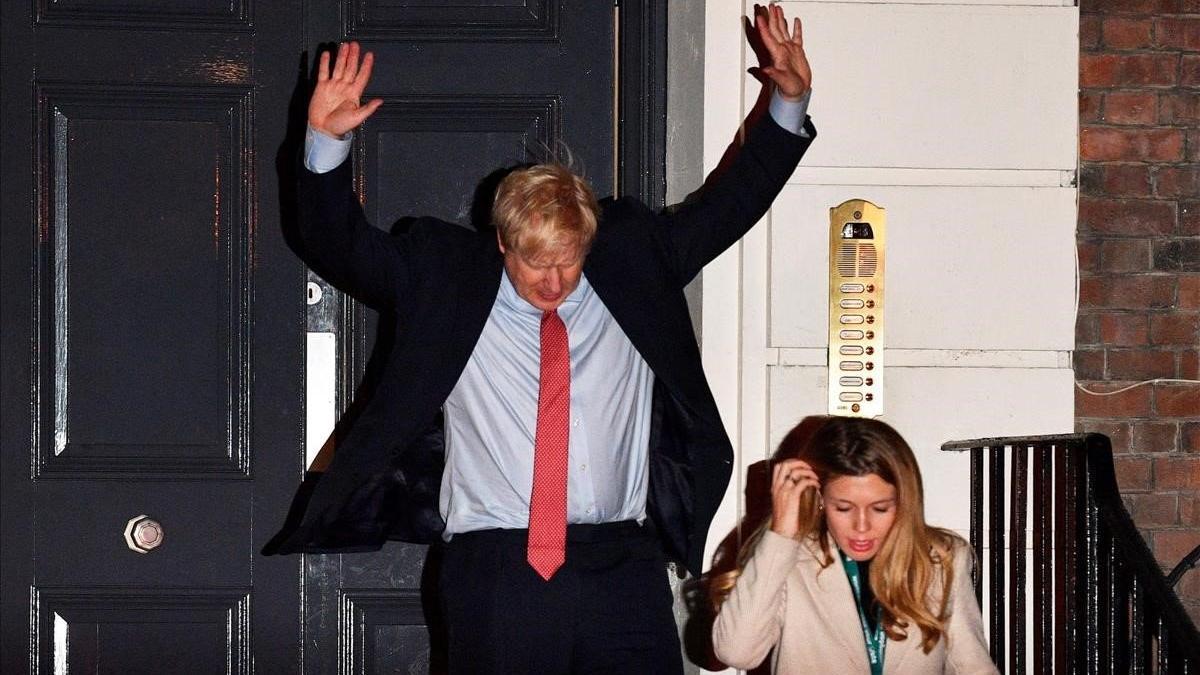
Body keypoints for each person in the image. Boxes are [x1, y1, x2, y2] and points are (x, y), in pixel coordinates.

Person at [267, 4, 816, 672]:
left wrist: (789, 102)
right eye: (534, 262)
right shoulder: (443, 277)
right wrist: (324, 149)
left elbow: (728, 206)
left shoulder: (634, 263)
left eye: (569, 259)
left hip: (624, 564)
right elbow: (341, 246)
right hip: (497, 566)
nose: (554, 280)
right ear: (502, 243)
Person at [710, 416, 998, 674]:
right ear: (821, 498)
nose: (862, 527)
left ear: (904, 501)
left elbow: (972, 665)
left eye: (880, 508)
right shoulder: (788, 559)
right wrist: (781, 533)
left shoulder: (940, 558)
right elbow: (738, 652)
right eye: (844, 508)